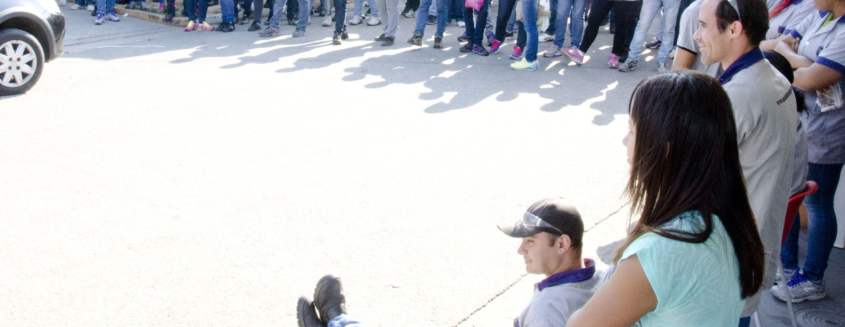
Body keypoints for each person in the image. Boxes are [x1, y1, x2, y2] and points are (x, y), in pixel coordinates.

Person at [567, 73, 766, 327]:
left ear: (664, 150)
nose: (625, 141)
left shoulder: (661, 252)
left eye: (632, 130)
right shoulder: (731, 220)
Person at [296, 200, 604, 327]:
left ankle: (338, 322)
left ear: (562, 243)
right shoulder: (598, 276)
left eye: (531, 241)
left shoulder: (548, 310)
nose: (521, 250)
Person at [770, 0, 845, 303]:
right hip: (804, 123)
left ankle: (812, 277)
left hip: (830, 130)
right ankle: (786, 268)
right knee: (789, 194)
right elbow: (783, 42)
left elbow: (809, 78)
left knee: (816, 204)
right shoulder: (825, 14)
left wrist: (794, 57)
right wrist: (794, 53)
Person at [692, 0, 800, 324]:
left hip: (728, 254)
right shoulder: (774, 78)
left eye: (704, 26)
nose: (696, 35)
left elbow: (694, 178)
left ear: (735, 29)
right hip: (752, 244)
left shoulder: (737, 95)